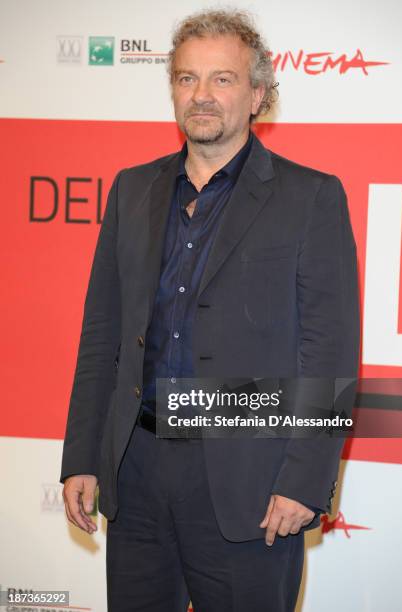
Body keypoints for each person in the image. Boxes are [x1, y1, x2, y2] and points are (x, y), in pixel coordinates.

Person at [60, 8, 360, 611]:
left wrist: (303, 482)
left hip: (249, 482)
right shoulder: (131, 189)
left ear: (258, 95)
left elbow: (328, 353)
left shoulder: (311, 197)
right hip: (136, 470)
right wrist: (84, 456)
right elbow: (104, 336)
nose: (202, 95)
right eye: (187, 78)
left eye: (222, 79)